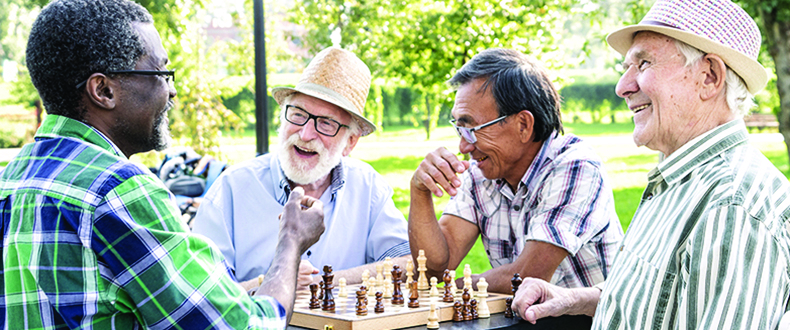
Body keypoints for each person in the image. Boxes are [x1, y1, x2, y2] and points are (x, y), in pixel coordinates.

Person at [0, 0, 324, 328]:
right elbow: (246, 326)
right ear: (103, 90)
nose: (171, 91)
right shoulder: (119, 190)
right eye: (161, 73)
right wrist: (291, 241)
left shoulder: (10, 180)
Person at [512, 0, 790, 329]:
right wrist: (578, 299)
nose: (622, 87)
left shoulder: (731, 205)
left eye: (643, 63)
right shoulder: (683, 178)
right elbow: (667, 300)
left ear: (709, 77)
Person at [192, 47, 410, 291]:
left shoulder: (369, 188)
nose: (305, 134)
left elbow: (408, 264)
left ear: (350, 142)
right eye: (297, 115)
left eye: (326, 123)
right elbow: (199, 294)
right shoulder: (231, 188)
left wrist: (320, 282)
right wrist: (276, 281)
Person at [408, 48, 624, 294]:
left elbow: (528, 277)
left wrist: (455, 287)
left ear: (523, 125)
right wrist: (419, 191)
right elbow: (435, 268)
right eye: (459, 129)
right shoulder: (482, 172)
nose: (463, 146)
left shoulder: (576, 167)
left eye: (473, 129)